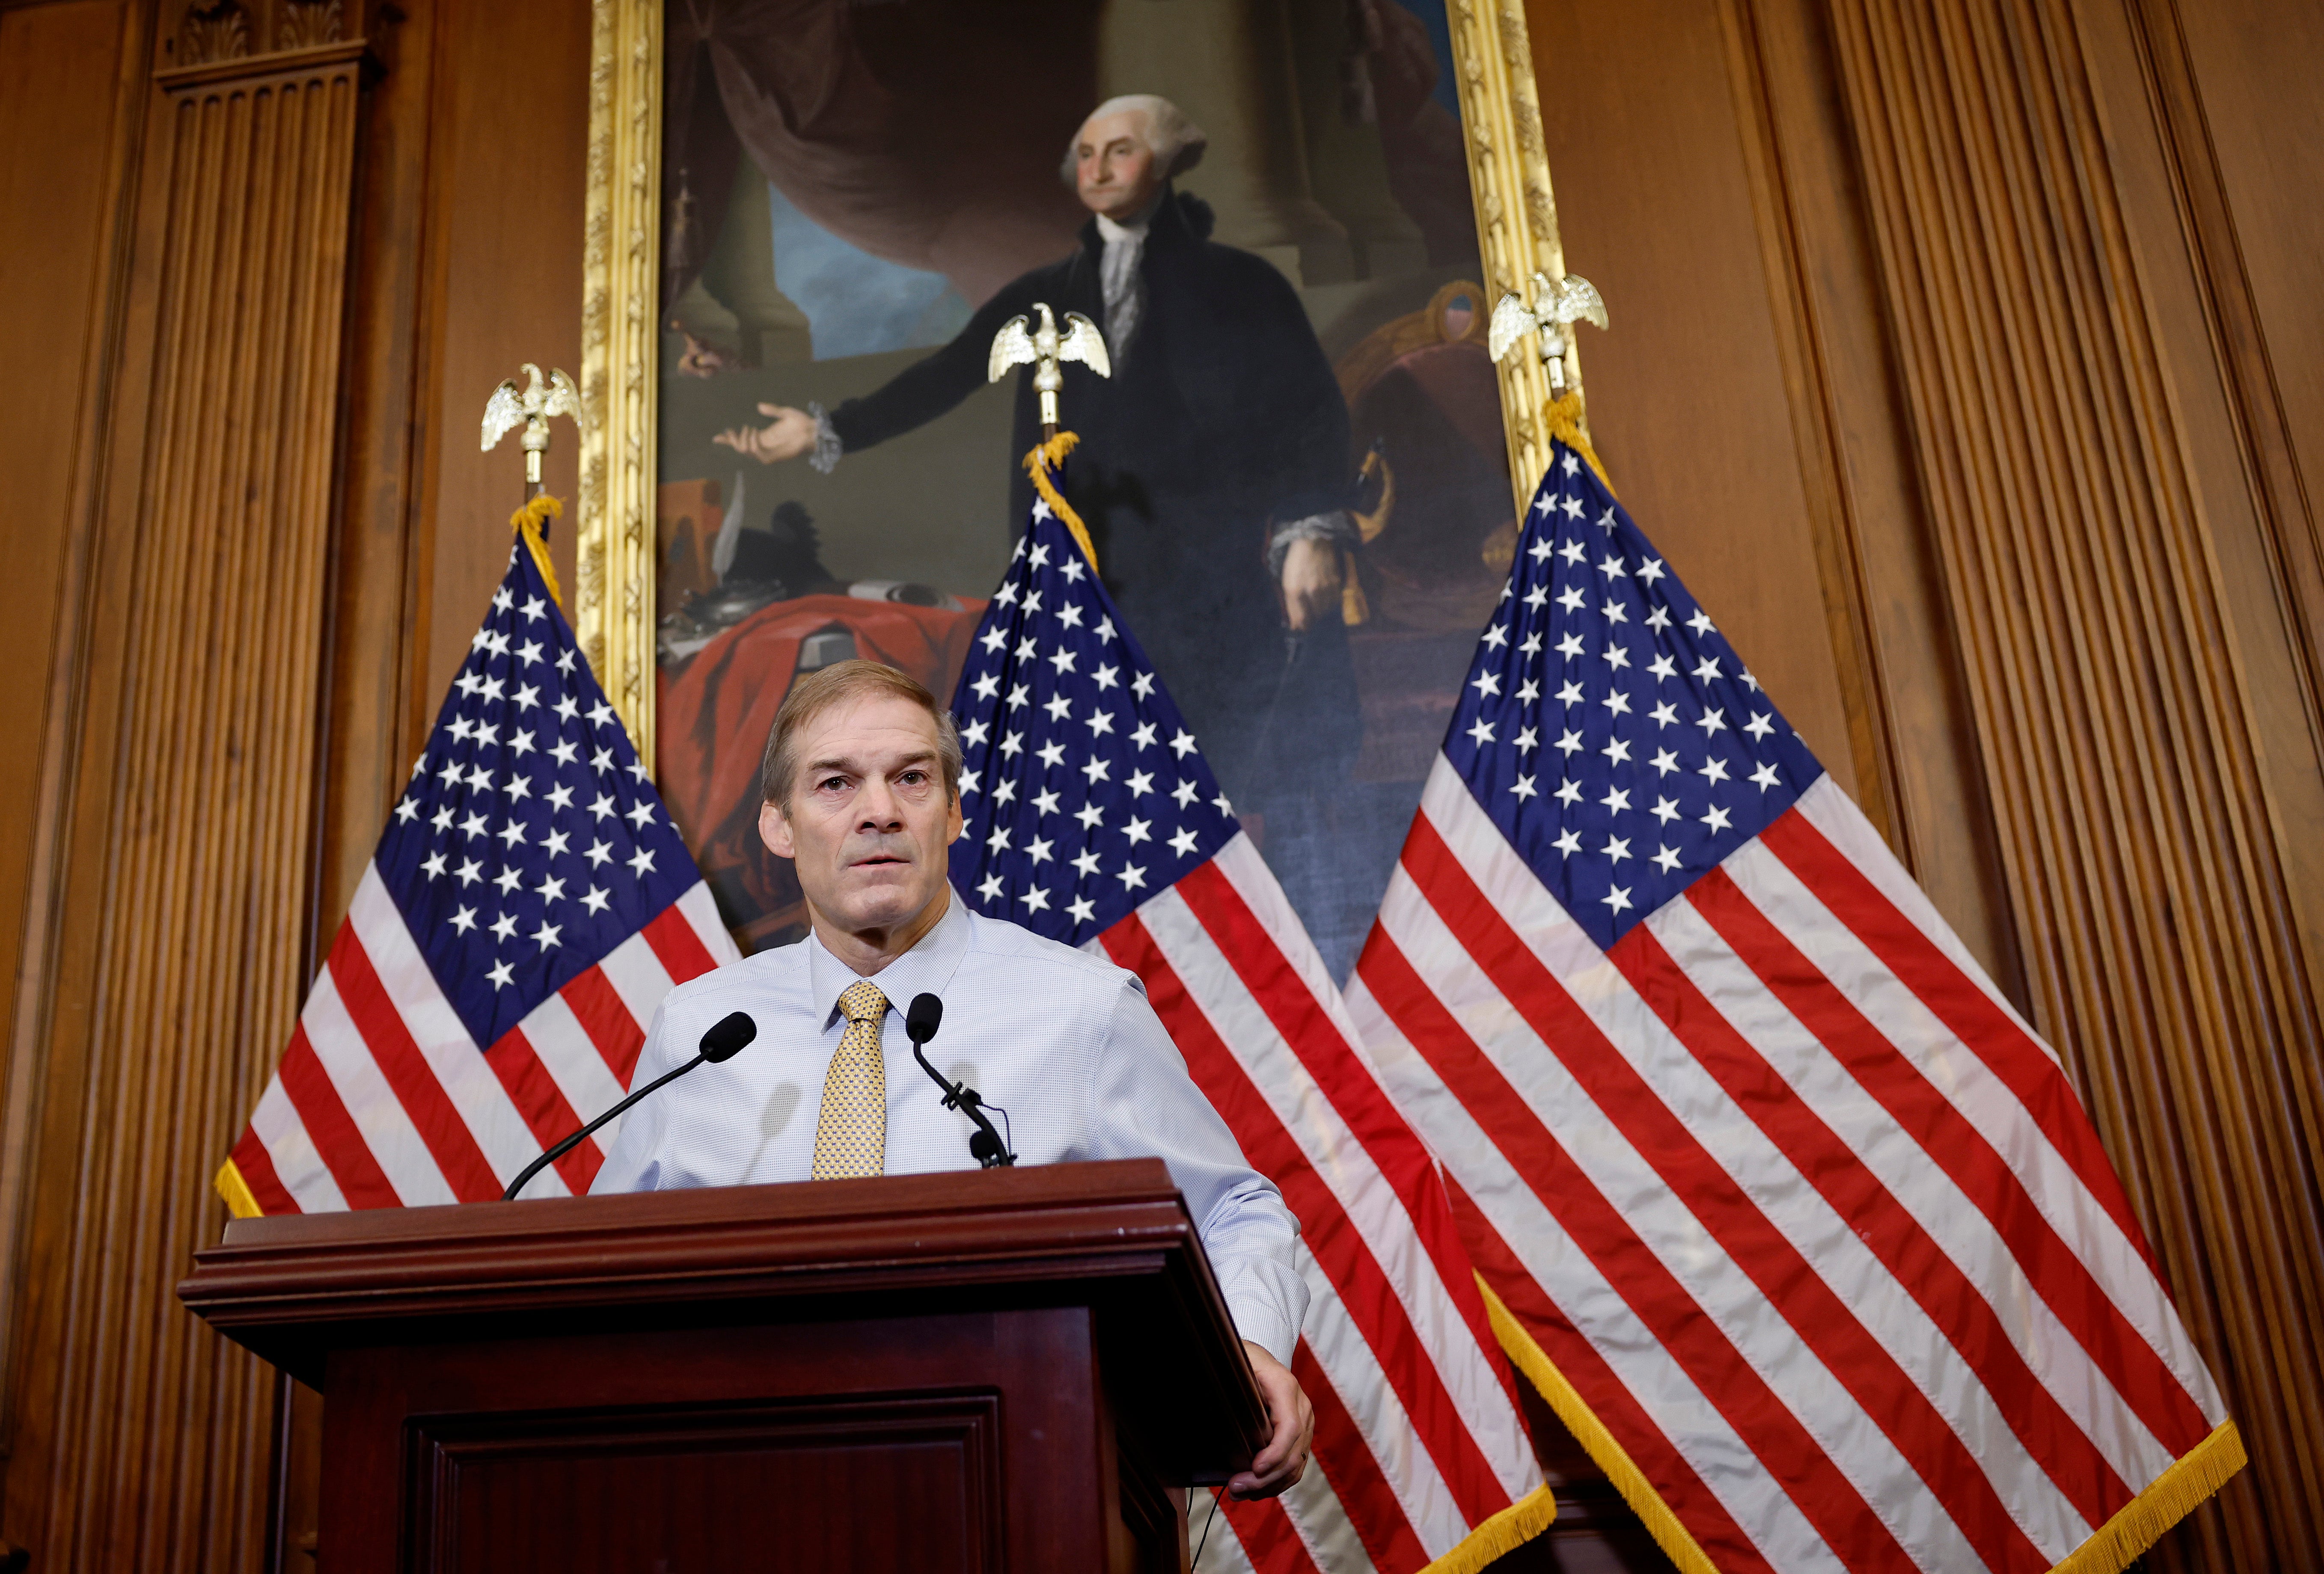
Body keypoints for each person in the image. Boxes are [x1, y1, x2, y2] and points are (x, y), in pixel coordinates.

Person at [592, 660, 1316, 1499]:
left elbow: (1233, 1208)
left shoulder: (1079, 1008)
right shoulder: (702, 1028)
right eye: (836, 784)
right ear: (779, 826)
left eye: (912, 779)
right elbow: (611, 1257)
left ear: (953, 812)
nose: (880, 812)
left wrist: (1253, 1345)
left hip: (1018, 1481)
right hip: (749, 1490)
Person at [713, 95, 1360, 812]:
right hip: (1083, 578)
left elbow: (1307, 412)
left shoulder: (1243, 286)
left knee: (1220, 787)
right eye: (1086, 153)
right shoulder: (1047, 296)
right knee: (1099, 793)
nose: (1099, 167)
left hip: (1213, 579)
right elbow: (945, 375)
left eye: (1120, 149)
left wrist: (1310, 530)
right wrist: (823, 428)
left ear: (1169, 159)